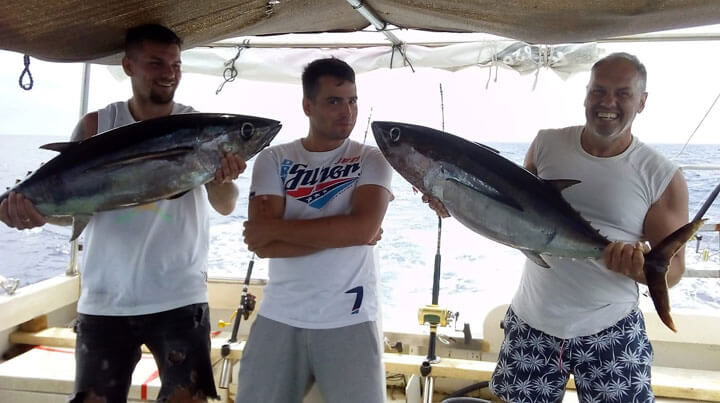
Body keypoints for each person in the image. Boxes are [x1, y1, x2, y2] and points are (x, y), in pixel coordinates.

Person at [0, 24, 246, 403]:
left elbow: (227, 204)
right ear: (128, 65)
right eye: (156, 62)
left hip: (178, 296)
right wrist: (32, 213)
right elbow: (70, 210)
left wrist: (220, 175)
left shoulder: (198, 127)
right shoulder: (97, 126)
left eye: (176, 64)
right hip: (105, 298)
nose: (169, 72)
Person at [426, 52, 688, 402]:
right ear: (586, 94)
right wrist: (455, 203)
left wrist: (639, 269)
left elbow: (671, 273)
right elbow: (511, 216)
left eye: (623, 93)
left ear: (642, 102)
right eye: (598, 91)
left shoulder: (660, 176)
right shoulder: (546, 144)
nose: (608, 102)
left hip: (610, 329)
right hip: (532, 322)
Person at [235, 57, 393, 403]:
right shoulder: (273, 159)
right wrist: (348, 233)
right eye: (334, 101)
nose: (347, 111)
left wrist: (279, 229)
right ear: (308, 105)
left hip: (350, 319)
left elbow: (363, 226)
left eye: (352, 101)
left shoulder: (372, 159)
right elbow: (262, 244)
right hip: (280, 315)